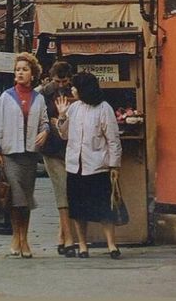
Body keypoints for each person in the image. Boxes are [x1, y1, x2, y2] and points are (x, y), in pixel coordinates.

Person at [56, 71, 122, 259]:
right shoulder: (74, 108)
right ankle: (83, 245)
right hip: (75, 166)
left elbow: (113, 139)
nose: (72, 89)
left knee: (104, 208)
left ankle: (111, 244)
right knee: (78, 209)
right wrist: (62, 117)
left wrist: (114, 165)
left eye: (75, 86)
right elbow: (64, 135)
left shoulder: (103, 108)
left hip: (97, 166)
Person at [0, 52, 49, 258]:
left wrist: (45, 131)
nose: (20, 73)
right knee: (17, 199)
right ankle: (19, 238)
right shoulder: (6, 97)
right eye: (18, 70)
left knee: (26, 199)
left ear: (33, 74)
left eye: (25, 69)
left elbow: (44, 122)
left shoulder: (38, 98)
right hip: (10, 154)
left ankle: (23, 236)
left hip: (29, 155)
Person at [37, 61, 76, 256]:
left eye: (64, 81)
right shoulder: (44, 94)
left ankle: (61, 235)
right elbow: (39, 118)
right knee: (62, 191)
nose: (61, 85)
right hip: (52, 149)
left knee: (69, 191)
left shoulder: (75, 92)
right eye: (57, 81)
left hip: (71, 148)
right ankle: (69, 239)